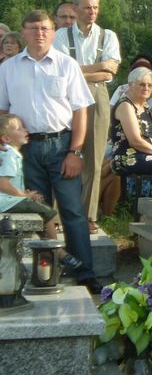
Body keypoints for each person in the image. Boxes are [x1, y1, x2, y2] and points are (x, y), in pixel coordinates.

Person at [0, 10, 100, 293]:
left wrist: (76, 152)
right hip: (26, 149)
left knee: (72, 211)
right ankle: (43, 273)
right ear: (23, 32)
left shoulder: (66, 65)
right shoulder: (8, 68)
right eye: (33, 29)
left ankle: (85, 272)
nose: (39, 34)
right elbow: (2, 111)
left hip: (61, 145)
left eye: (44, 28)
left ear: (53, 32)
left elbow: (80, 111)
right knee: (38, 214)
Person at [53, 0, 121, 234]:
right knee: (61, 153)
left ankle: (88, 215)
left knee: (93, 158)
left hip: (97, 94)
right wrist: (99, 66)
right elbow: (61, 71)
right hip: (65, 95)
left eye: (95, 7)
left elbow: (110, 73)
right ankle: (56, 215)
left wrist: (79, 70)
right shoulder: (61, 35)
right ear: (76, 8)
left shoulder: (108, 35)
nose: (92, 12)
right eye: (87, 7)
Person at [0, 114, 83, 271]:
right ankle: (58, 251)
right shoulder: (9, 155)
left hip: (9, 199)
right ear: (6, 138)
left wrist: (24, 194)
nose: (25, 130)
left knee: (41, 207)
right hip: (5, 202)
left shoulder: (12, 154)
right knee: (46, 211)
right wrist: (24, 196)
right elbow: (3, 184)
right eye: (19, 128)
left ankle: (52, 254)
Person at [110, 67, 152, 177]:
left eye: (150, 85)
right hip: (128, 157)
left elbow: (148, 137)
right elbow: (135, 141)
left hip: (145, 154)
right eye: (142, 84)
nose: (146, 88)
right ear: (130, 85)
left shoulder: (144, 106)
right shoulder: (126, 106)